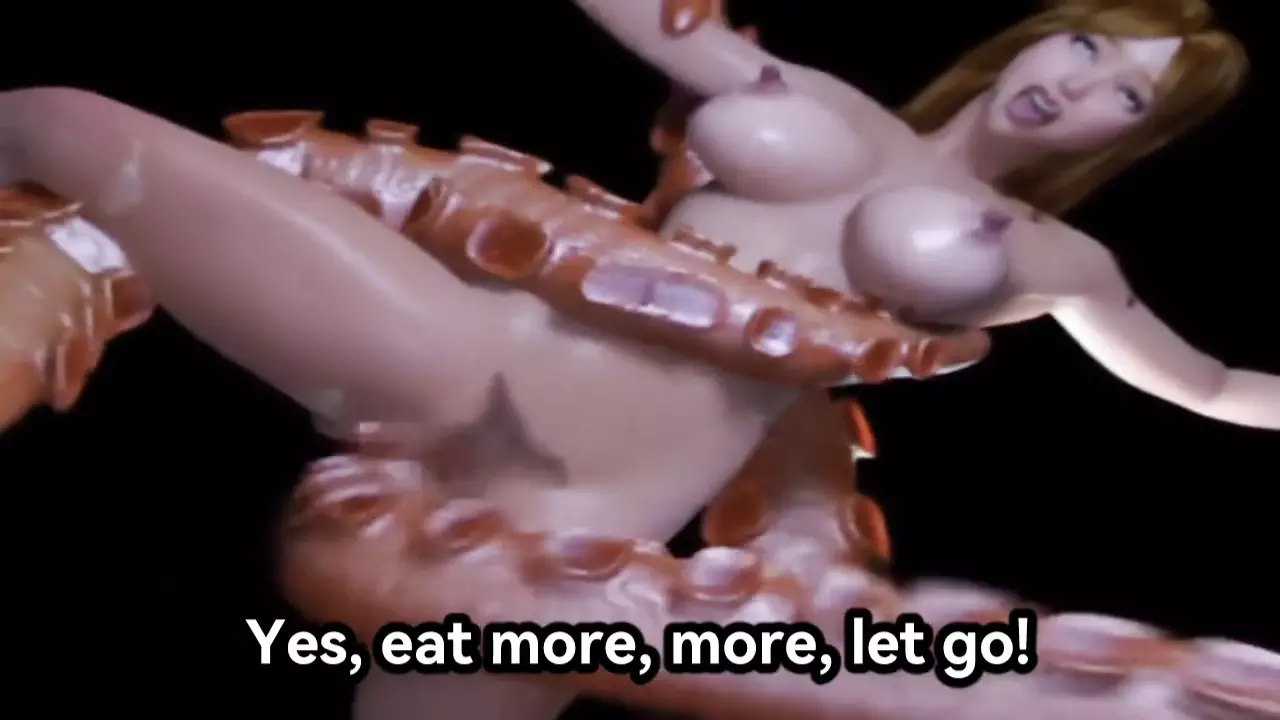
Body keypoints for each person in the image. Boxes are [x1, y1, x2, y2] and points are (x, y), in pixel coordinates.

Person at [0, 1, 1274, 719]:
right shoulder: (810, 96)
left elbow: (1209, 385)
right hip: (473, 360)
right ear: (1042, 34)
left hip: (595, 507)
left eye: (1129, 95)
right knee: (58, 124)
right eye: (1089, 45)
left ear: (1134, 138)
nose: (1082, 86)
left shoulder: (1056, 261)